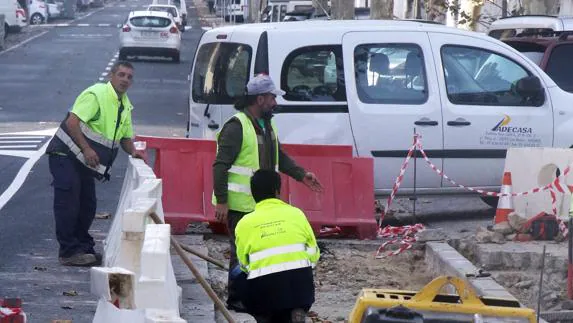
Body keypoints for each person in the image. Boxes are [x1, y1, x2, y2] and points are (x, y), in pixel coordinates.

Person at [212, 74, 323, 311]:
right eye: (272, 98)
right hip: (241, 205)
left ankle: (258, 294)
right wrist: (222, 201)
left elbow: (278, 156)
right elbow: (220, 165)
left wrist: (301, 174)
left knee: (262, 251)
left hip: (263, 203)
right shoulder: (236, 126)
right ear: (260, 99)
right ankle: (236, 298)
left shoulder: (266, 124)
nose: (275, 102)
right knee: (241, 254)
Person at [45, 61, 144, 267]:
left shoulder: (124, 105)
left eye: (129, 77)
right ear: (112, 75)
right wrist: (87, 149)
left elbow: (125, 138)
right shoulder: (96, 94)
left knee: (88, 204)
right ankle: (68, 252)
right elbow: (73, 122)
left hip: (83, 162)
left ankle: (82, 246)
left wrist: (134, 152)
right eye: (121, 74)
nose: (125, 79)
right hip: (65, 154)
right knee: (69, 202)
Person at [235, 169, 319, 323]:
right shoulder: (297, 214)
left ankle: (264, 316)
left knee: (237, 275)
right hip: (300, 289)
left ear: (253, 195)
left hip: (265, 293)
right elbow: (314, 253)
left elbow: (244, 264)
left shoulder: (244, 224)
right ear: (277, 191)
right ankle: (297, 309)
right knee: (301, 275)